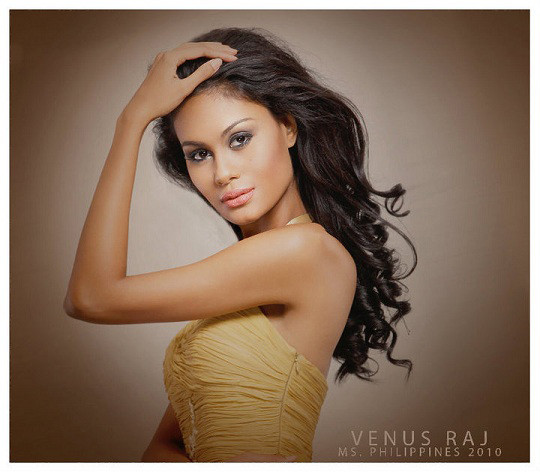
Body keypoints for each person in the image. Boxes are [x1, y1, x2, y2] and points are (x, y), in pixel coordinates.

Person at [63, 27, 417, 462]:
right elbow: (165, 447)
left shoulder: (304, 251)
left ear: (288, 127)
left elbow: (90, 297)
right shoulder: (247, 282)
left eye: (239, 139)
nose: (222, 173)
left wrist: (131, 120)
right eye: (199, 153)